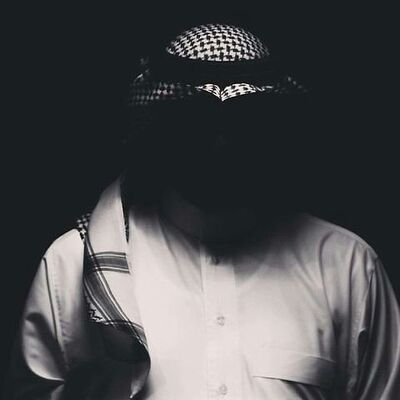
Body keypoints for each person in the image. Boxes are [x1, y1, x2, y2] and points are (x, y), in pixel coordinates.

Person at [5, 23, 400, 400]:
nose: (221, 143)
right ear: (159, 126)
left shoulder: (348, 266)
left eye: (243, 120)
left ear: (272, 127)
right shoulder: (71, 264)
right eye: (197, 119)